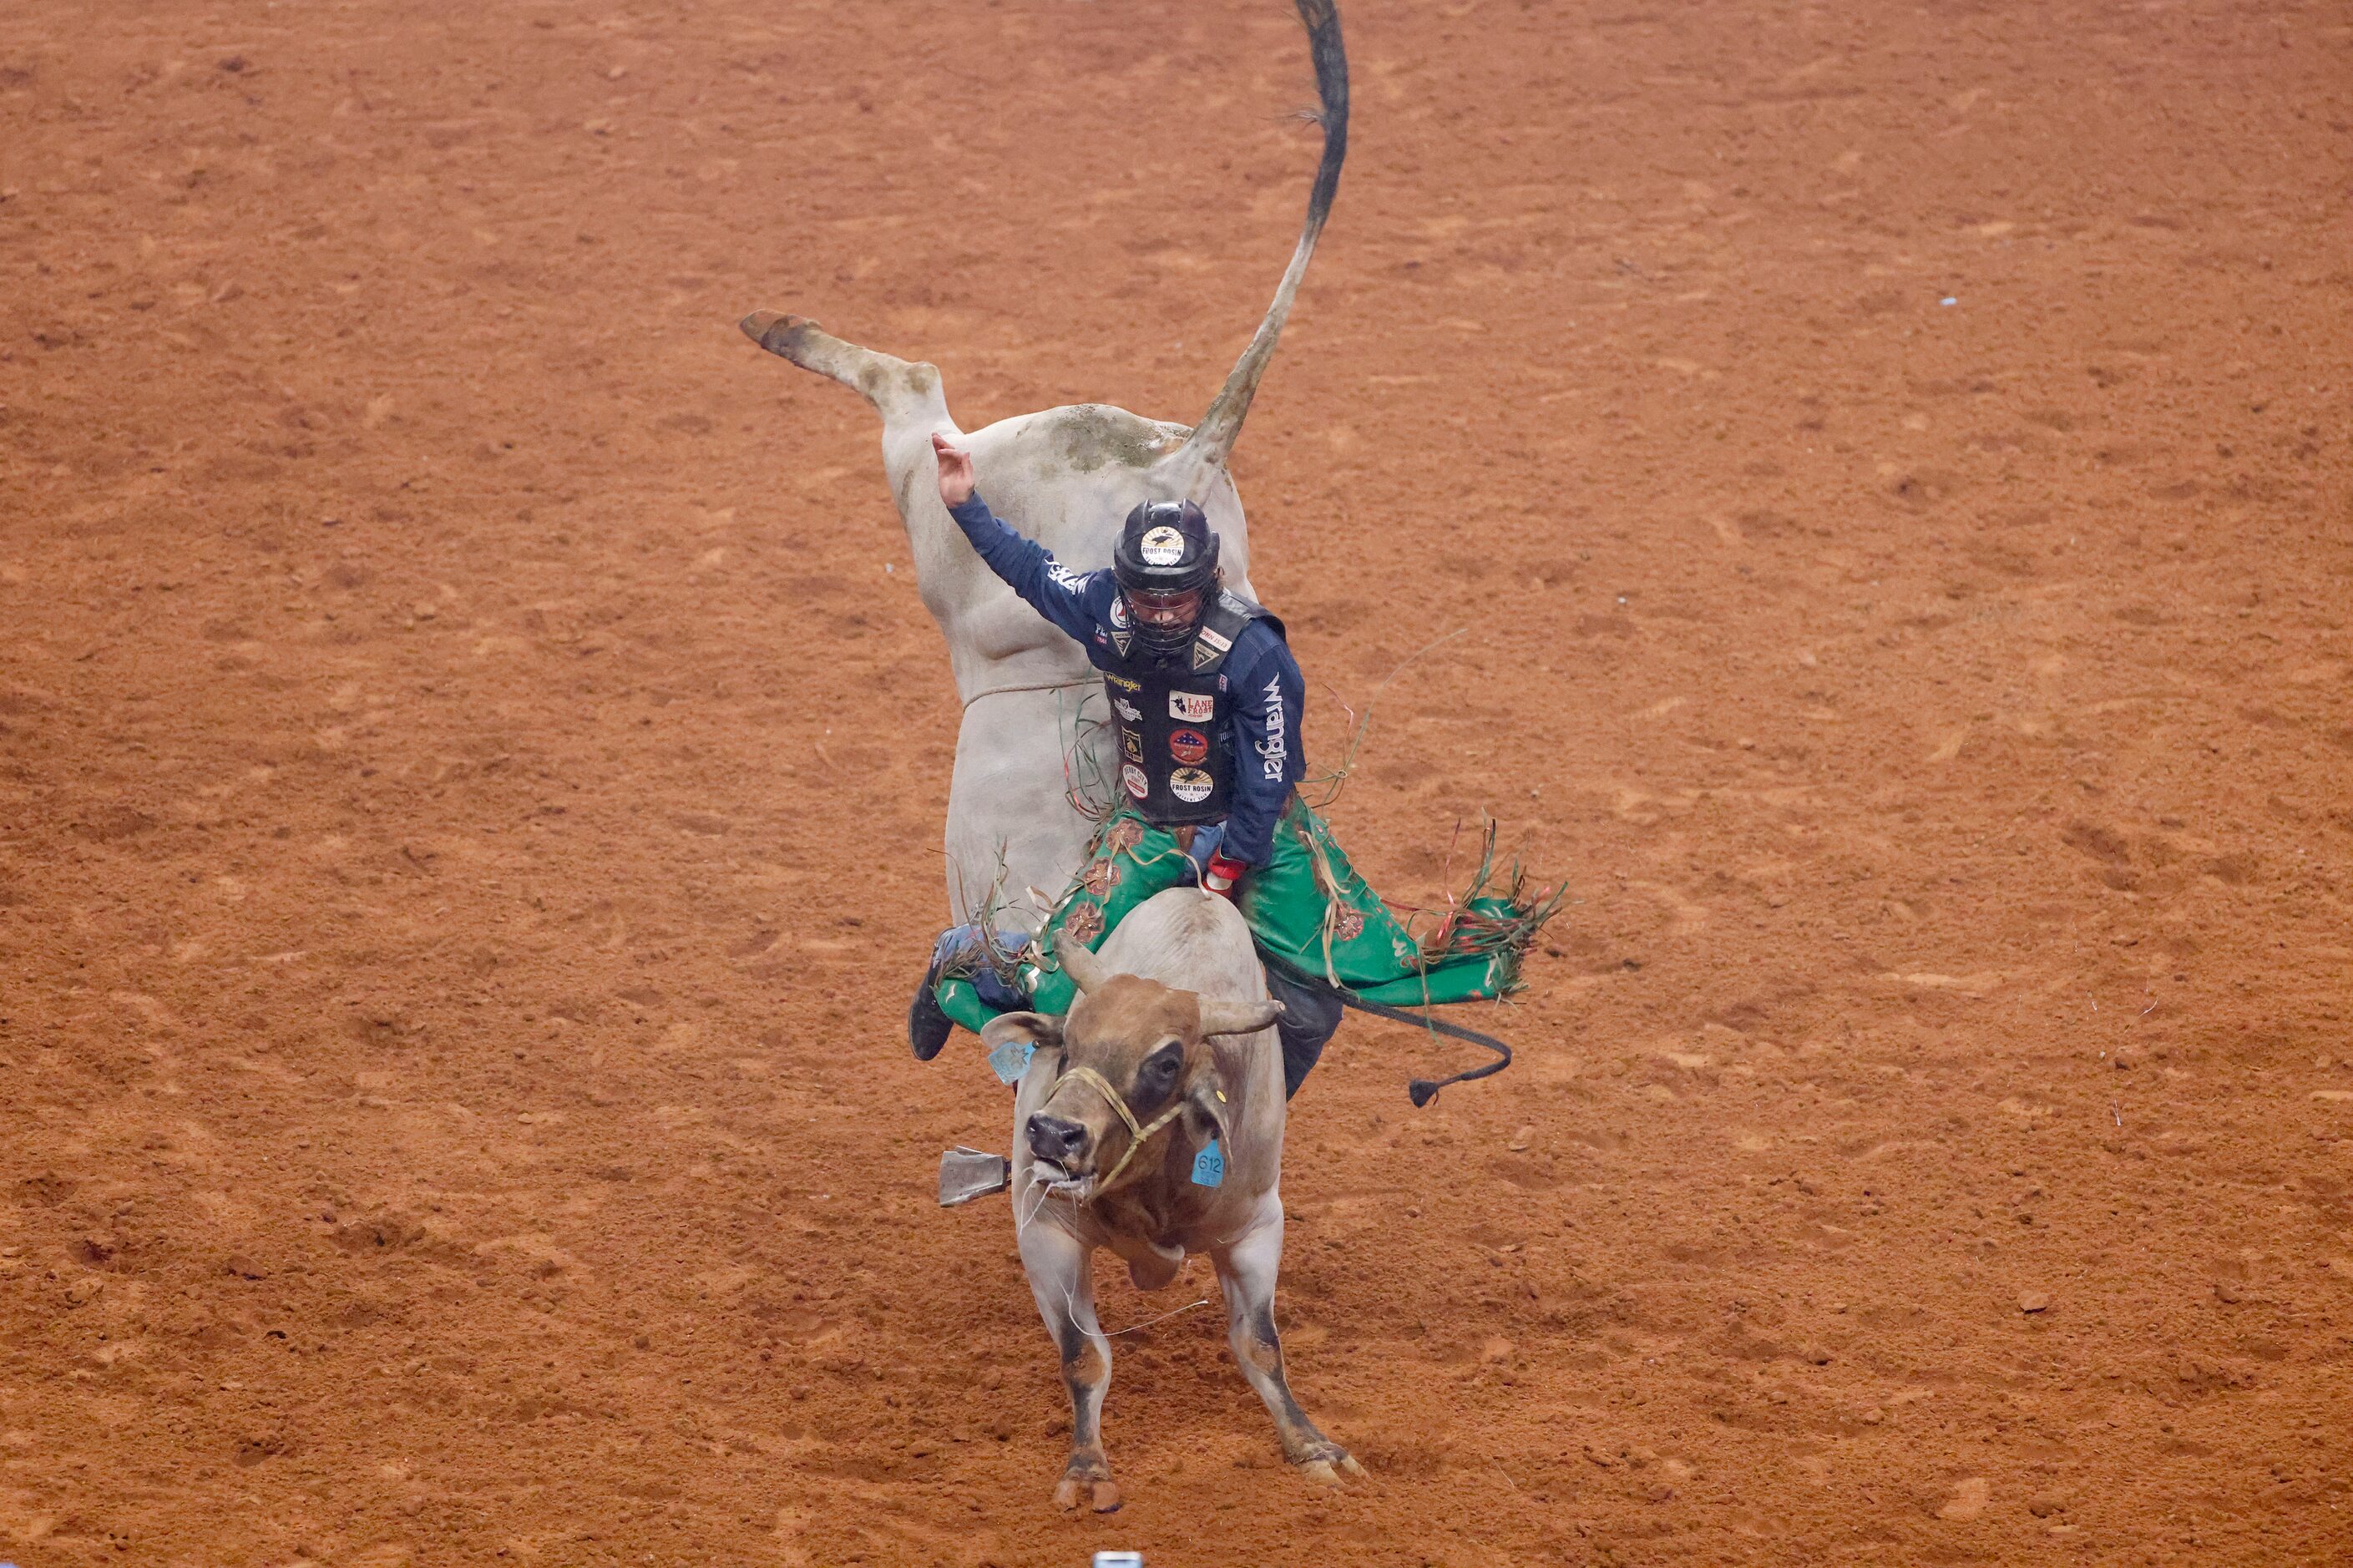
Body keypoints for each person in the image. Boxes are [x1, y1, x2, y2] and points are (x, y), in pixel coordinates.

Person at [910, 434, 1554, 1098]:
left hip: (1258, 832)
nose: (1160, 614)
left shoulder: (1253, 652)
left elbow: (1267, 776)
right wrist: (964, 503)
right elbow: (1030, 569)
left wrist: (1225, 869)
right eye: (1146, 598)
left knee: (1342, 983)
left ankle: (1250, 1113)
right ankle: (962, 955)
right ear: (1123, 585)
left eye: (1177, 600)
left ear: (1208, 584)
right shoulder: (1104, 608)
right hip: (1149, 828)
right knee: (1049, 980)